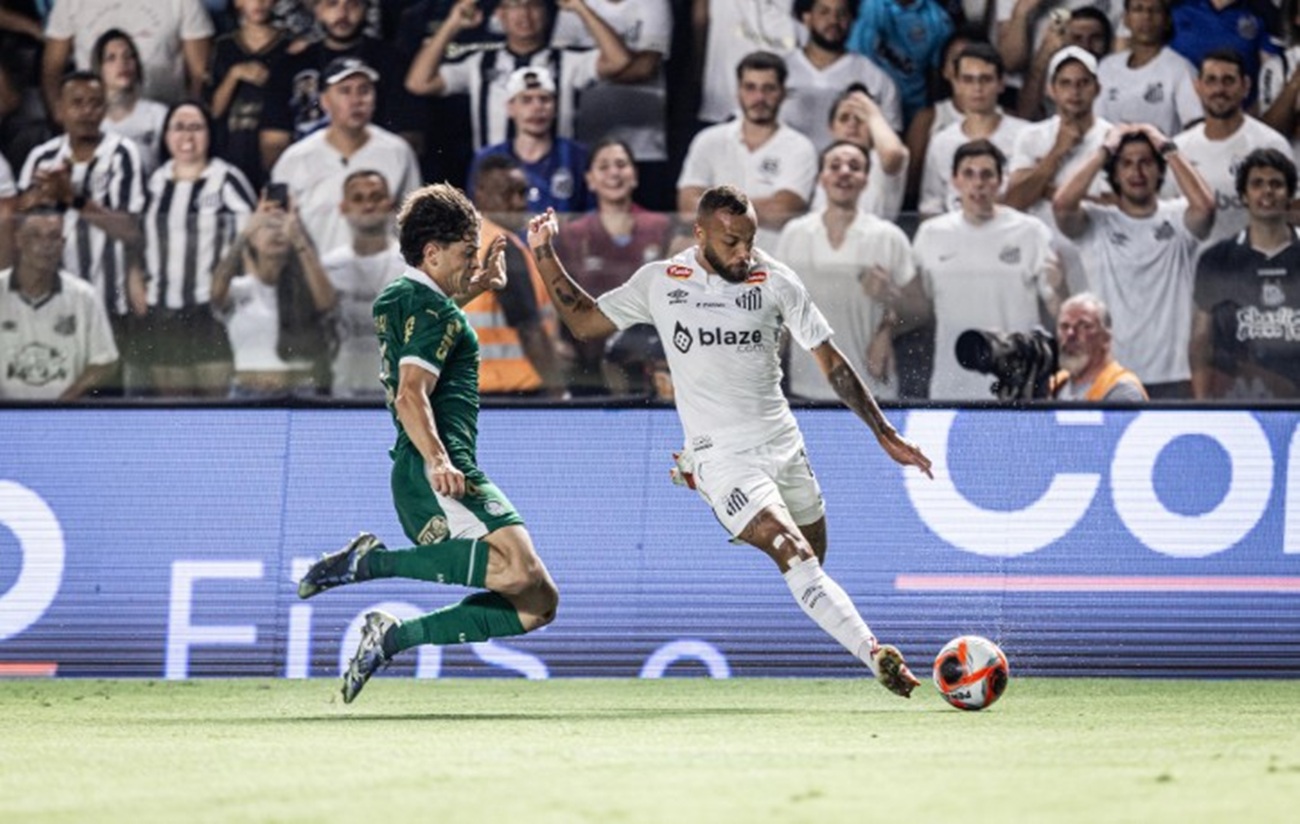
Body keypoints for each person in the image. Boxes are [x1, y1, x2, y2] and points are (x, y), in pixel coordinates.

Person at [526, 185, 934, 697]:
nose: (744, 253)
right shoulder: (661, 281)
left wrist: (883, 431)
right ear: (700, 235)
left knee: (814, 556)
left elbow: (830, 362)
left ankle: (722, 495)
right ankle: (875, 654)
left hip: (783, 443)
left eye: (750, 240)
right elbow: (584, 320)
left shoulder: (776, 280)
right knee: (793, 552)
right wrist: (543, 251)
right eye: (731, 242)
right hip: (723, 455)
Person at [297, 182, 560, 704]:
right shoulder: (434, 310)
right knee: (517, 571)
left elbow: (433, 315)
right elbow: (411, 396)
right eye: (466, 253)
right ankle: (369, 564)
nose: (471, 262)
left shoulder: (400, 297)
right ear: (432, 252)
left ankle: (392, 637)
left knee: (538, 604)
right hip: (436, 469)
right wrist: (439, 459)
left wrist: (476, 284)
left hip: (421, 469)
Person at [1054, 124, 1215, 399]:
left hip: (1172, 375)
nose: (1136, 172)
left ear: (1159, 169)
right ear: (1115, 173)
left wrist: (1167, 147)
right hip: (1109, 377)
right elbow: (1061, 204)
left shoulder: (1177, 218)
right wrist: (1105, 151)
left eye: (1146, 163)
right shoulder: (1097, 223)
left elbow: (1206, 207)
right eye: (1126, 164)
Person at [17, 71, 145, 392]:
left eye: (95, 104)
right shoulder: (41, 158)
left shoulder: (122, 154)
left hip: (110, 306)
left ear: (104, 110)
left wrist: (71, 198)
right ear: (59, 109)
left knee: (107, 408)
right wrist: (35, 198)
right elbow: (20, 227)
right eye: (77, 103)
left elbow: (130, 229)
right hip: (50, 306)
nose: (87, 111)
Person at [914, 139, 1064, 401]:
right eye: (969, 174)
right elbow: (918, 310)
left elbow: (1056, 308)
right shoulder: (930, 234)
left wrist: (1061, 286)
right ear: (955, 181)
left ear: (1000, 181)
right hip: (952, 386)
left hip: (1018, 387)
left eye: (987, 175)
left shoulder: (1031, 231)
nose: (978, 183)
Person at [777, 140, 925, 402]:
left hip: (873, 391)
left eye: (854, 167)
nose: (844, 172)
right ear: (821, 178)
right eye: (835, 166)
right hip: (806, 390)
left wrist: (889, 317)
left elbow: (921, 312)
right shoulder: (794, 233)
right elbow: (780, 313)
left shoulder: (888, 236)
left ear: (866, 180)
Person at [134, 101, 256, 398]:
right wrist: (135, 283)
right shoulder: (154, 183)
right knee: (174, 411)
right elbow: (134, 240)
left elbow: (252, 238)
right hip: (162, 311)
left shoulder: (226, 180)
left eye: (196, 127)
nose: (187, 135)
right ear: (166, 136)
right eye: (179, 127)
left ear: (209, 134)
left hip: (211, 312)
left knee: (215, 411)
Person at [404, 0, 632, 151]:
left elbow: (619, 60)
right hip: (493, 179)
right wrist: (452, 24)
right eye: (514, 5)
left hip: (556, 177)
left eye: (532, 4)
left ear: (546, 12)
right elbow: (419, 82)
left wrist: (580, 7)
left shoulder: (567, 61)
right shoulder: (480, 62)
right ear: (500, 15)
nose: (524, 14)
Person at [269, 56, 421, 254]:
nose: (356, 100)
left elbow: (414, 224)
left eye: (364, 90)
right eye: (345, 91)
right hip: (317, 278)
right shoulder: (295, 159)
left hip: (383, 278)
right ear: (324, 101)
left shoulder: (398, 152)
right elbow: (276, 228)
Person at [554, 138, 672, 393]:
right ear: (589, 179)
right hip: (588, 366)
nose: (614, 173)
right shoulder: (572, 235)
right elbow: (559, 297)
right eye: (604, 167)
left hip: (650, 363)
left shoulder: (661, 228)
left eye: (621, 164)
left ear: (635, 175)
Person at [677, 50, 818, 252]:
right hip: (714, 261)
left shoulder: (800, 147)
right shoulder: (708, 140)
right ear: (738, 91)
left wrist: (714, 207)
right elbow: (687, 209)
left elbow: (783, 211)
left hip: (772, 263)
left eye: (768, 88)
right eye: (750, 87)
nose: (759, 97)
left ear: (783, 92)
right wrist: (759, 206)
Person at [1191, 148, 1300, 400]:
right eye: (1257, 184)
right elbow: (1201, 341)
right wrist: (1201, 404)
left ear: (1290, 195)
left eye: (1276, 184)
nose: (1267, 192)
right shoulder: (1217, 258)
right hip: (1240, 401)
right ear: (1243, 196)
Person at [210, 196, 337, 397]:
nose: (277, 232)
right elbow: (216, 293)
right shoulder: (240, 288)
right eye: (268, 226)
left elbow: (327, 302)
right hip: (248, 393)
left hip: (300, 392)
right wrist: (244, 233)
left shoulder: (304, 289)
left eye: (281, 226)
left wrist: (299, 238)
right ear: (253, 236)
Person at [1167, 49, 1292, 249]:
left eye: (1228, 81)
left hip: (1255, 268)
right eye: (1211, 80)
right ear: (1197, 87)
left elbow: (1293, 210)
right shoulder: (1178, 150)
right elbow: (1165, 217)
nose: (1219, 89)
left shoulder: (1271, 144)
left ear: (1245, 86)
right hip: (1195, 270)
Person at [467, 153, 566, 397]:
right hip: (514, 391)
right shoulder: (502, 247)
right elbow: (529, 330)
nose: (518, 203)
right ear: (480, 194)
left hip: (472, 391)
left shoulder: (464, 242)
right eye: (507, 193)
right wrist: (559, 391)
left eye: (522, 193)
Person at [0, 206, 119, 400]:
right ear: (18, 240)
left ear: (62, 244)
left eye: (53, 237)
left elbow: (105, 362)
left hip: (66, 418)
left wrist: (61, 406)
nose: (45, 244)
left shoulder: (84, 296)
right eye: (35, 236)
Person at [41, 0, 214, 114]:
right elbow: (52, 68)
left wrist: (187, 119)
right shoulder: (70, 3)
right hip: (94, 123)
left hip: (163, 122)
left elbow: (199, 74)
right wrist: (58, 113)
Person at [320, 169, 404, 399]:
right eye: (358, 199)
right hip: (344, 390)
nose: (368, 206)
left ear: (391, 204)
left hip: (399, 395)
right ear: (344, 208)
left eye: (376, 197)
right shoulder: (329, 267)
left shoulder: (414, 267)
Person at [919, 43, 1028, 217]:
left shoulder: (1026, 135)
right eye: (968, 80)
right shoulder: (941, 142)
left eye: (985, 79)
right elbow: (931, 207)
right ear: (956, 84)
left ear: (1001, 83)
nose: (977, 88)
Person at [468, 66, 591, 218]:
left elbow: (591, 216)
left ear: (555, 107)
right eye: (526, 100)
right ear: (510, 108)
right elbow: (476, 215)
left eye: (544, 99)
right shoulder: (487, 158)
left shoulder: (577, 156)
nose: (537, 107)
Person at [783, 0, 903, 149]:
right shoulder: (780, 71)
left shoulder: (875, 79)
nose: (834, 20)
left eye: (842, 13)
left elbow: (890, 147)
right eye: (824, 12)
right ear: (806, 17)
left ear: (852, 20)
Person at [206, 0, 290, 191]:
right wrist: (234, 74)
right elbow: (213, 110)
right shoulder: (224, 47)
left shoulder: (289, 46)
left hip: (276, 150)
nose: (259, 3)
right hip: (232, 147)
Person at [1096, 0, 1202, 138]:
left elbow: (1196, 128)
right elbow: (1095, 124)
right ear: (1126, 19)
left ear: (1167, 20)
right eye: (1138, 9)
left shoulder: (1181, 69)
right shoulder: (1107, 67)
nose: (1146, 17)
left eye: (1155, 10)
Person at [847, 0, 954, 125]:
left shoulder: (938, 19)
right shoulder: (872, 5)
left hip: (910, 108)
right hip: (865, 95)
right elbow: (853, 54)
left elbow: (938, 76)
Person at [92, 29, 169, 175]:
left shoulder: (158, 115)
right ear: (99, 68)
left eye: (128, 56)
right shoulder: (90, 120)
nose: (122, 63)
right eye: (111, 58)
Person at [1048, 292, 1148, 401]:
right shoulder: (1057, 385)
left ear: (1106, 338)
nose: (1070, 334)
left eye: (1084, 326)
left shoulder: (1122, 390)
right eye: (1064, 326)